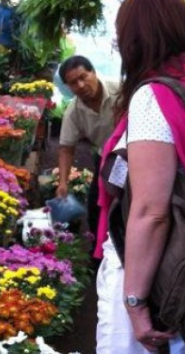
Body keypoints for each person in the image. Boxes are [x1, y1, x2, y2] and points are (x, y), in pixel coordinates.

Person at [94, 0, 185, 354]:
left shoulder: (156, 97)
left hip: (157, 276)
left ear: (139, 39)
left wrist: (134, 304)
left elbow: (151, 212)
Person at [56, 55, 120, 238]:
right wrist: (62, 182)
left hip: (136, 155)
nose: (81, 86)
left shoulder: (121, 91)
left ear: (93, 72)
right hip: (106, 159)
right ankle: (97, 253)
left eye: (83, 77)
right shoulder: (73, 112)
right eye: (73, 83)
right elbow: (66, 148)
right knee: (96, 208)